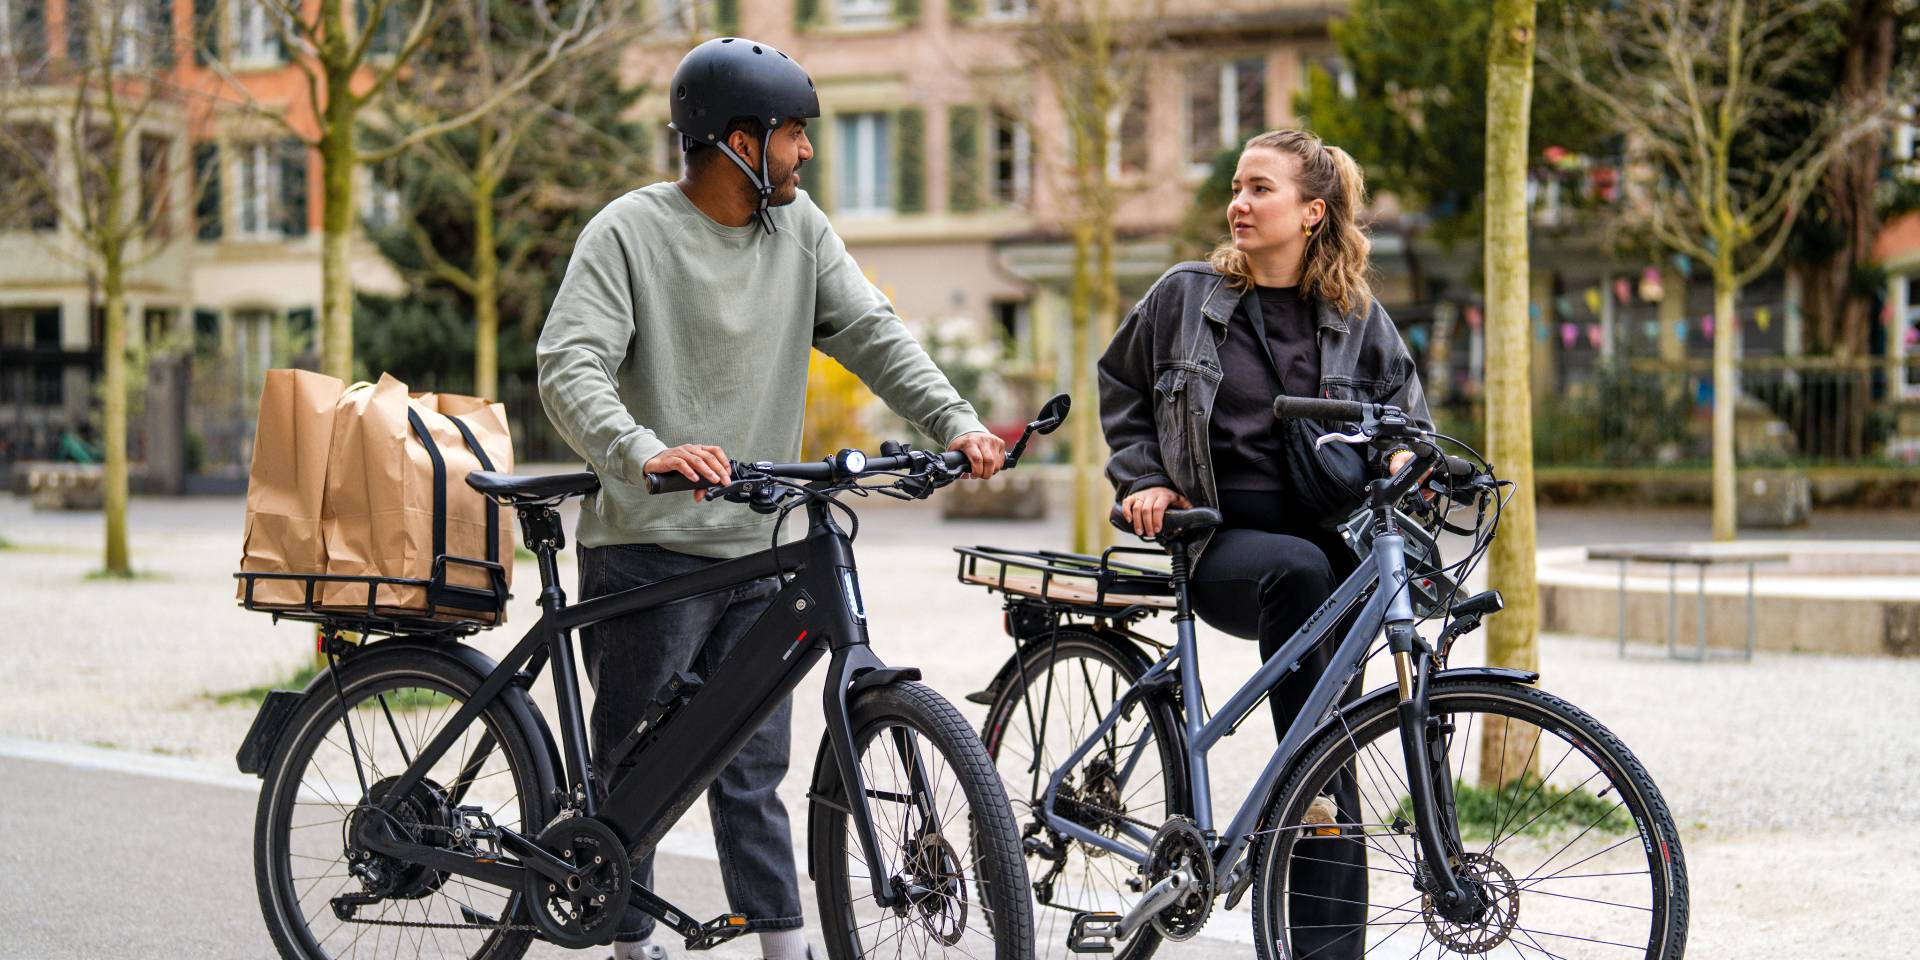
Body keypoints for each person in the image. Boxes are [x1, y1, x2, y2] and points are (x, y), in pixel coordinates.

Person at [536, 37, 1006, 960]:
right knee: (632, 770)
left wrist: (955, 421)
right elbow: (568, 362)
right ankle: (626, 942)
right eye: (795, 133)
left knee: (753, 772)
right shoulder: (631, 231)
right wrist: (644, 450)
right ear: (737, 141)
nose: (808, 153)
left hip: (762, 543)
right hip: (649, 546)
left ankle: (783, 948)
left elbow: (870, 331)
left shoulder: (801, 232)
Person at [1096, 128, 1431, 959]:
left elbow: (1410, 418)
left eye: (1260, 190)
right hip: (1220, 543)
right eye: (1237, 189)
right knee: (1304, 595)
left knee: (1340, 750)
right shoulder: (1186, 296)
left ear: (1313, 213)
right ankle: (1305, 768)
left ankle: (1324, 929)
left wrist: (1404, 456)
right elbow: (1121, 384)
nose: (1238, 204)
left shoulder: (1355, 318)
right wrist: (1141, 476)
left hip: (1328, 550)